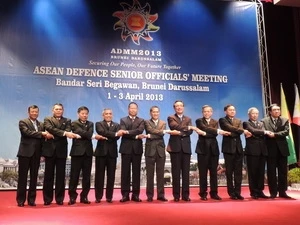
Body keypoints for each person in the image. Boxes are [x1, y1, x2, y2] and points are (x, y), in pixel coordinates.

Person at [16, 105, 53, 207]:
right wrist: (42, 133)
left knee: (34, 178)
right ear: (29, 112)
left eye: (36, 112)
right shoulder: (23, 122)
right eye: (32, 111)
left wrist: (42, 154)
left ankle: (31, 200)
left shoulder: (41, 124)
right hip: (25, 154)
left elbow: (42, 141)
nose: (34, 113)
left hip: (36, 155)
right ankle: (20, 200)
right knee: (22, 178)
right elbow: (27, 133)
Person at [42, 103, 77, 205]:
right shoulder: (47, 119)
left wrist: (59, 133)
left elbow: (67, 130)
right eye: (56, 109)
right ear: (53, 110)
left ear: (63, 110)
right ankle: (47, 199)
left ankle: (59, 199)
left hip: (61, 151)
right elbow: (49, 128)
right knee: (48, 176)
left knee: (61, 176)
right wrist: (64, 133)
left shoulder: (67, 120)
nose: (58, 111)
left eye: (60, 109)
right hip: (49, 150)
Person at [195, 105, 230, 201]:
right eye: (205, 111)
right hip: (202, 150)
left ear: (211, 112)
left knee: (214, 173)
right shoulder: (199, 121)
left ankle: (214, 193)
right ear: (202, 112)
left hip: (213, 150)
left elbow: (212, 133)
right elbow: (204, 128)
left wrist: (204, 133)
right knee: (203, 173)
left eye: (209, 111)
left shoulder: (215, 121)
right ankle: (203, 193)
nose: (207, 113)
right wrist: (218, 131)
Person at [219, 104, 251, 200]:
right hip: (228, 149)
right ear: (226, 111)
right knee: (229, 172)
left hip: (238, 149)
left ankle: (238, 192)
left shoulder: (238, 121)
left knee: (238, 173)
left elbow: (236, 131)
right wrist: (240, 130)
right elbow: (228, 128)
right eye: (230, 110)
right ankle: (231, 192)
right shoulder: (222, 120)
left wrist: (237, 131)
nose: (232, 111)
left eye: (233, 110)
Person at [68, 106, 98, 205]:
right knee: (74, 176)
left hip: (88, 153)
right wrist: (90, 136)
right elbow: (81, 132)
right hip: (77, 153)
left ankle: (84, 196)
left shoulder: (91, 123)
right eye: (82, 113)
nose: (84, 115)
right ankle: (72, 197)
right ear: (78, 114)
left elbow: (87, 133)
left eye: (86, 113)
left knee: (87, 176)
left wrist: (85, 135)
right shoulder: (74, 123)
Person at [262, 104, 291, 199]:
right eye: (274, 110)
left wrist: (274, 134)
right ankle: (273, 192)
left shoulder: (284, 120)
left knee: (283, 171)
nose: (277, 111)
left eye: (278, 109)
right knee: (271, 172)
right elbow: (263, 132)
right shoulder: (264, 121)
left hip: (282, 150)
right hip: (270, 149)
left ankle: (283, 192)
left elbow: (286, 132)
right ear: (270, 111)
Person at [118, 102, 145, 202]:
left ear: (137, 110)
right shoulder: (123, 120)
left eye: (135, 108)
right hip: (126, 149)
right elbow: (123, 132)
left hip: (137, 149)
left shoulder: (141, 120)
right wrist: (135, 136)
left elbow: (140, 130)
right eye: (131, 108)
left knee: (136, 172)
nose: (133, 110)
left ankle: (135, 194)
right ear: (128, 109)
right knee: (125, 172)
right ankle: (125, 194)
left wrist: (128, 132)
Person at [167, 100, 193, 202]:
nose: (179, 107)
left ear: (183, 107)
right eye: (177, 106)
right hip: (175, 148)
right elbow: (175, 126)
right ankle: (176, 195)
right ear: (174, 108)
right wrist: (187, 128)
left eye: (181, 106)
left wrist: (179, 133)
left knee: (186, 173)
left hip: (186, 148)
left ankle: (186, 195)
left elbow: (190, 132)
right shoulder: (171, 117)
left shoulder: (188, 118)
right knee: (176, 172)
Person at [94, 108, 120, 203]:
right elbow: (101, 132)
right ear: (103, 115)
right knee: (99, 176)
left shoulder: (117, 125)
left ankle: (109, 197)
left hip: (112, 153)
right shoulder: (99, 124)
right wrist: (114, 134)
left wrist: (109, 136)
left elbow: (117, 137)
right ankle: (98, 197)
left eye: (110, 113)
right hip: (101, 153)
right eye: (106, 114)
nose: (108, 115)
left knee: (111, 176)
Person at [144, 106, 170, 202]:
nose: (155, 113)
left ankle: (161, 195)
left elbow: (161, 134)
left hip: (160, 151)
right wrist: (160, 132)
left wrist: (152, 135)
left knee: (160, 175)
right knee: (149, 175)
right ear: (150, 113)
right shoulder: (146, 122)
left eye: (157, 112)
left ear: (159, 113)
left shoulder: (163, 123)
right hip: (150, 151)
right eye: (153, 112)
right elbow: (150, 130)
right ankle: (149, 195)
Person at [243, 107, 269, 199]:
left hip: (262, 150)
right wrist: (263, 132)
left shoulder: (261, 123)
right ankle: (253, 192)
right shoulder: (246, 123)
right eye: (253, 113)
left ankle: (260, 190)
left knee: (261, 172)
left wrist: (256, 134)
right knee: (253, 172)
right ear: (249, 114)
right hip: (252, 151)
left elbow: (255, 133)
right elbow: (253, 131)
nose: (255, 115)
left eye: (256, 114)